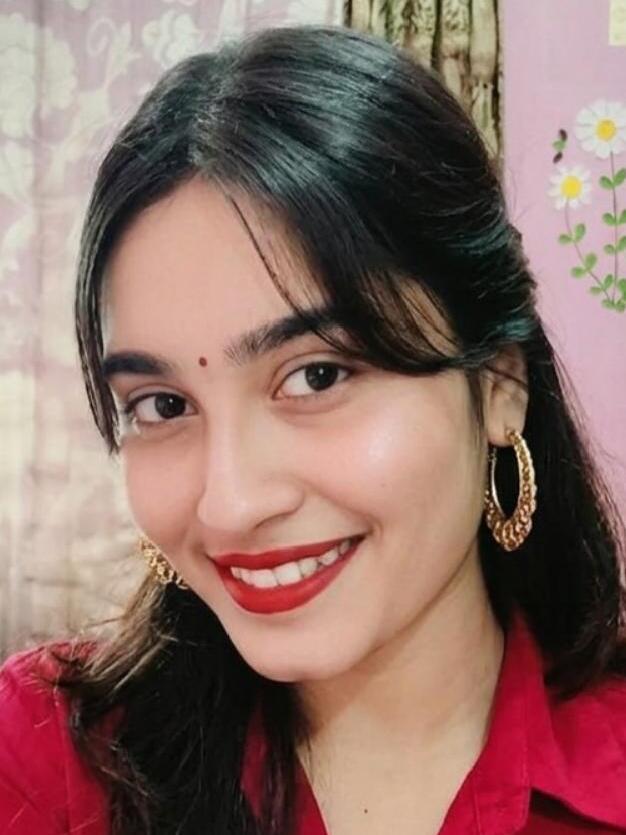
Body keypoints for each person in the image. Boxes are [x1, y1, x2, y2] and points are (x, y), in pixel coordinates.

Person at [1, 23, 626, 835]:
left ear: (500, 384)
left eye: (317, 376)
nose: (229, 505)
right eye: (163, 404)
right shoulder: (51, 760)